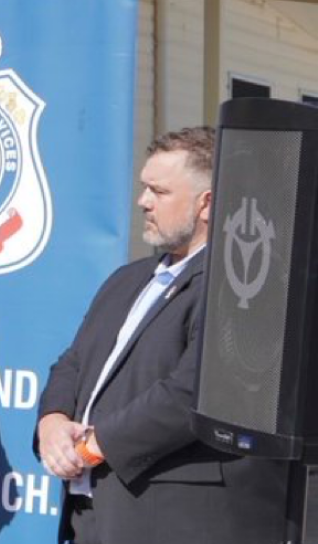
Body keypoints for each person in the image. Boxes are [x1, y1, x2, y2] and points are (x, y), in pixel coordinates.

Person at [35, 126, 288, 544]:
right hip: (94, 514)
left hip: (172, 518)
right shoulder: (127, 279)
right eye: (142, 188)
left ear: (207, 203)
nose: (143, 202)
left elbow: (197, 390)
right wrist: (53, 421)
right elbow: (74, 360)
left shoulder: (244, 285)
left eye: (159, 191)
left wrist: (95, 445)